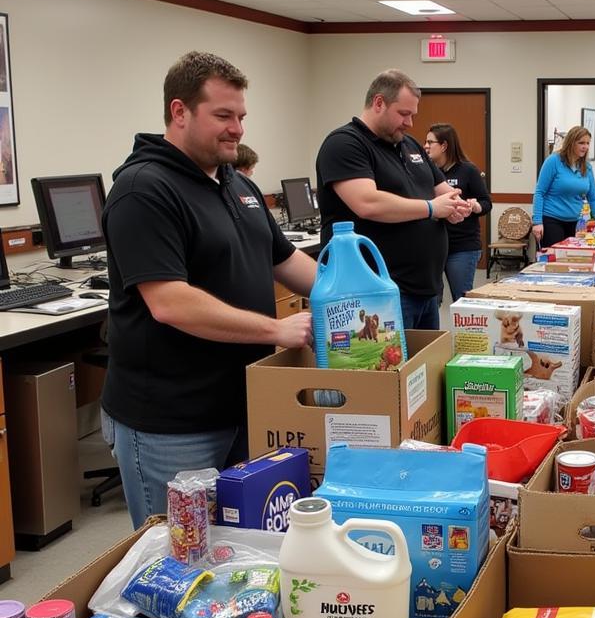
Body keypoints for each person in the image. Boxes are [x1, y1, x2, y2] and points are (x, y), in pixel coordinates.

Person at [101, 51, 316, 529]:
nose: (237, 129)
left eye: (240, 116)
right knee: (175, 557)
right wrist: (275, 330)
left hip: (240, 405)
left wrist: (356, 296)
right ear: (180, 112)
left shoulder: (235, 183)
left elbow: (285, 260)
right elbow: (171, 303)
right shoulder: (143, 190)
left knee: (237, 545)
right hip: (170, 423)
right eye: (223, 115)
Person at [315, 70, 471, 331]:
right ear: (379, 103)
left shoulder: (408, 144)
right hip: (378, 292)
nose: (410, 122)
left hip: (426, 291)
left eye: (413, 115)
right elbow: (367, 203)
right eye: (403, 113)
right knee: (391, 369)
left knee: (422, 370)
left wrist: (455, 205)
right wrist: (432, 208)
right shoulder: (344, 144)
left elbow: (442, 189)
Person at [424, 122, 492, 303]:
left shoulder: (468, 170)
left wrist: (475, 207)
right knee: (431, 299)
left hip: (462, 246)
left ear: (444, 145)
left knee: (461, 298)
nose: (425, 146)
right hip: (433, 246)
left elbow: (486, 203)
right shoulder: (425, 171)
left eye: (431, 142)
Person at [531, 126, 595, 249]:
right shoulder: (553, 161)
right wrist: (537, 222)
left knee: (571, 260)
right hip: (552, 220)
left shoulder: (586, 167)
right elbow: (539, 193)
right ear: (571, 143)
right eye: (581, 143)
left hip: (574, 222)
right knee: (554, 260)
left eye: (587, 143)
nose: (585, 147)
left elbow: (593, 197)